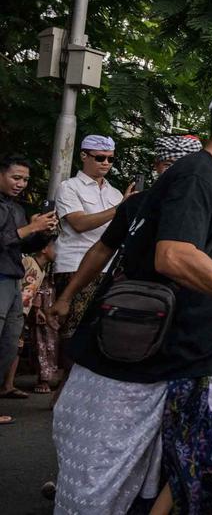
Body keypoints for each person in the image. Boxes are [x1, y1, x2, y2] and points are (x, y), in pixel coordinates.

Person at [52, 86, 212, 513]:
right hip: (145, 361)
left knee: (206, 459)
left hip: (187, 358)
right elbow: (174, 256)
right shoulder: (195, 174)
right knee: (107, 485)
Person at [51, 135, 131, 354]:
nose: (106, 163)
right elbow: (79, 223)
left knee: (99, 333)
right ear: (83, 156)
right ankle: (66, 383)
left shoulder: (114, 193)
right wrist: (121, 208)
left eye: (110, 159)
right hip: (75, 265)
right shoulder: (69, 187)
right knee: (73, 333)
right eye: (99, 157)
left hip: (108, 269)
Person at [0, 156, 57, 411]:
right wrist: (29, 228)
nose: (21, 183)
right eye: (16, 177)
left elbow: (25, 246)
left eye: (25, 179)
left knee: (10, 343)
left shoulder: (17, 208)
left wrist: (42, 231)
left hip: (14, 278)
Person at [16, 232, 58, 395]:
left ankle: (7, 384)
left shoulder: (41, 271)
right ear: (44, 249)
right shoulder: (28, 262)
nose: (56, 251)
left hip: (22, 313)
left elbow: (32, 293)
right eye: (53, 247)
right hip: (15, 310)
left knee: (17, 347)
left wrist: (36, 309)